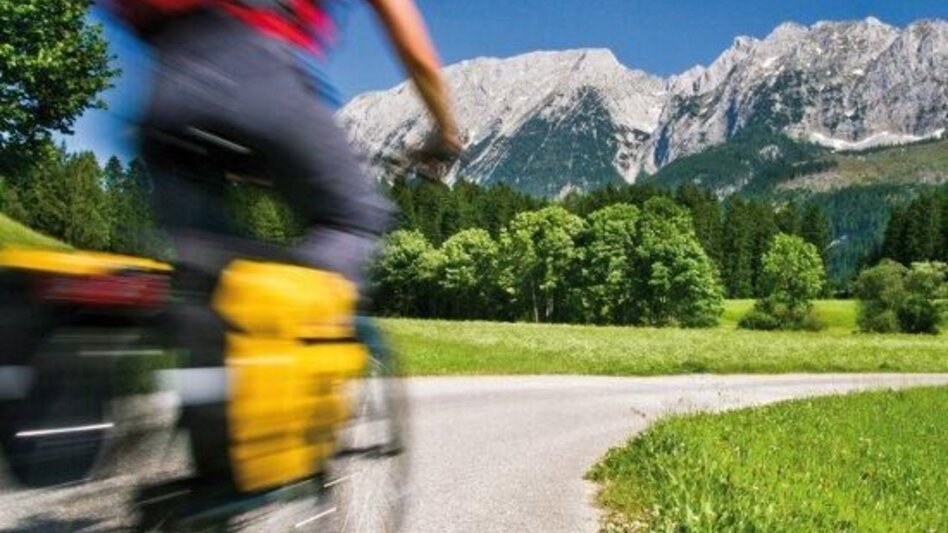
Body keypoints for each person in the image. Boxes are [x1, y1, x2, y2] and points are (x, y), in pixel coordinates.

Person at [128, 0, 461, 287]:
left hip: (165, 91)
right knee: (356, 219)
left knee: (200, 261)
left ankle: (196, 324)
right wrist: (446, 132)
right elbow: (416, 54)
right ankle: (287, 317)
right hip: (259, 75)